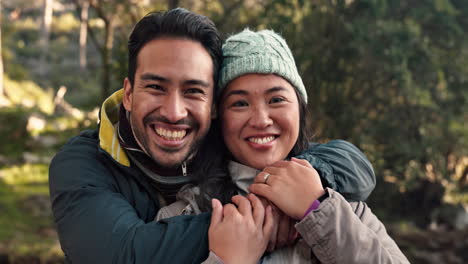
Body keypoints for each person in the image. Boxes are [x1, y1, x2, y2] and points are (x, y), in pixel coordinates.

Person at [48, 9, 375, 263]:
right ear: (129, 94)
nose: (174, 111)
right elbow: (121, 254)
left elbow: (348, 161)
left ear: (213, 107)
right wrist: (261, 219)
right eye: (156, 87)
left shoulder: (227, 145)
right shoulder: (84, 162)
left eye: (193, 91)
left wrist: (306, 192)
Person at [157, 29, 409, 263]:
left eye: (276, 99)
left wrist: (316, 211)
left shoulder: (343, 207)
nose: (261, 120)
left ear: (299, 109)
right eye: (240, 104)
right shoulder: (182, 216)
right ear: (219, 118)